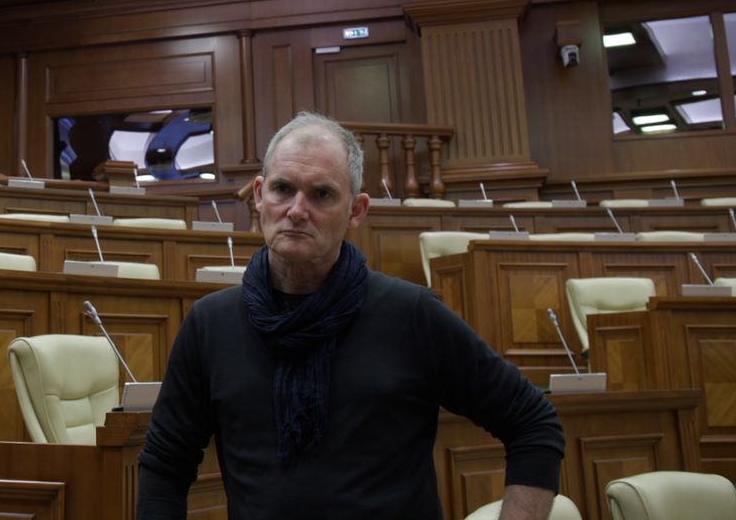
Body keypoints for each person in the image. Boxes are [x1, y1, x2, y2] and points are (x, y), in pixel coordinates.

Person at [137, 112, 564, 519]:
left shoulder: (410, 314)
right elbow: (165, 464)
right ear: (259, 195)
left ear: (357, 210)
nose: (297, 209)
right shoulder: (211, 324)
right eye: (283, 189)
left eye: (322, 194)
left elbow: (533, 424)